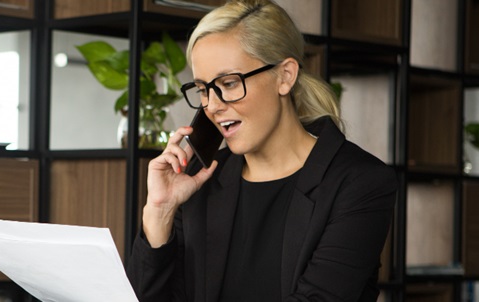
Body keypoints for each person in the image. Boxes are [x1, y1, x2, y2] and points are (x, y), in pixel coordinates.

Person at [125, 0, 398, 301]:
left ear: (285, 76)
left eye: (229, 83)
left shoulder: (359, 182)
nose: (213, 106)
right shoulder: (200, 181)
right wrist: (160, 212)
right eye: (203, 90)